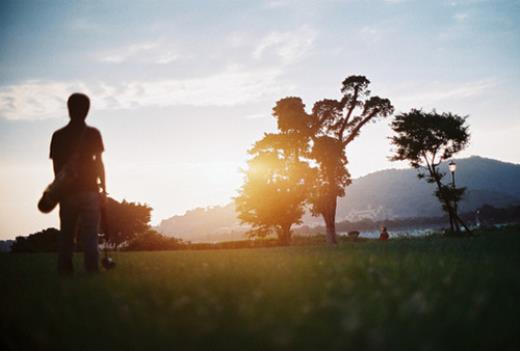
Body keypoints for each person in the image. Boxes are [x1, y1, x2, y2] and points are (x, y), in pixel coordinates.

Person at [49, 93, 106, 274]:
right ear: (87, 110)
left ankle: (65, 272)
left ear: (68, 108)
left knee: (66, 235)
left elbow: (57, 167)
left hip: (67, 193)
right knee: (90, 235)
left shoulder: (58, 135)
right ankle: (92, 271)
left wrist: (59, 188)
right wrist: (103, 188)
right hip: (90, 191)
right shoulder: (93, 133)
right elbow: (98, 163)